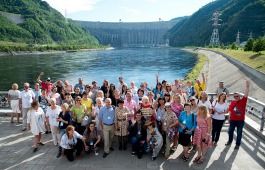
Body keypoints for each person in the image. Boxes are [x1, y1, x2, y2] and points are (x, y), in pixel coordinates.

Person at [226, 80, 250, 150]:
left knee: (239, 132)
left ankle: (237, 144)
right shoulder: (233, 102)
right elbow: (230, 110)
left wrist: (247, 86)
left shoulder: (243, 101)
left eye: (237, 96)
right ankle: (230, 141)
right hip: (233, 119)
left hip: (240, 120)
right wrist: (229, 117)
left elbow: (246, 94)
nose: (236, 97)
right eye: (235, 96)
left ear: (239, 96)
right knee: (230, 131)